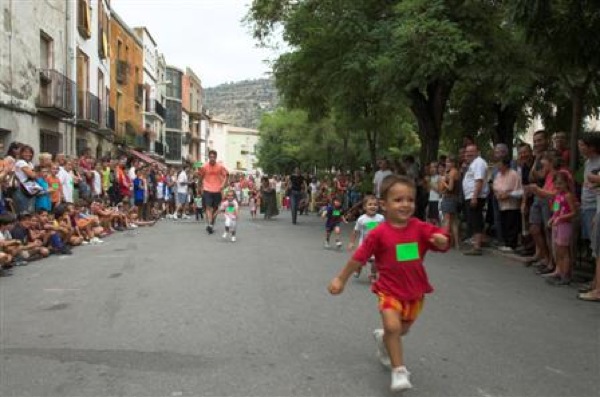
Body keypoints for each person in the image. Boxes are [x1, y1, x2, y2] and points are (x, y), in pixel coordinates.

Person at [327, 175, 449, 392]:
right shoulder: (379, 234)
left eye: (410, 200)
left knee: (401, 330)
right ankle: (399, 370)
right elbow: (359, 258)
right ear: (384, 204)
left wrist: (442, 239)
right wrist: (341, 278)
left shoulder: (419, 227)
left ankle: (383, 339)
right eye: (398, 200)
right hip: (389, 291)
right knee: (393, 326)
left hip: (415, 292)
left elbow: (438, 238)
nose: (405, 204)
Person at [546, 171, 576, 286]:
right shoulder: (558, 196)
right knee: (558, 250)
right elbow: (555, 210)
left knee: (564, 251)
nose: (558, 186)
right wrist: (552, 218)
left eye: (561, 183)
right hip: (557, 225)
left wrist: (561, 218)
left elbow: (573, 212)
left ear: (566, 184)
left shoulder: (568, 196)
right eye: (556, 184)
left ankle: (566, 275)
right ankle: (560, 272)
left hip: (565, 225)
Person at [348, 195, 385, 281]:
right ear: (365, 207)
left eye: (375, 205)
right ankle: (358, 269)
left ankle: (373, 275)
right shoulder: (362, 219)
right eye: (370, 204)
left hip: (376, 245)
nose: (373, 206)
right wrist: (351, 242)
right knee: (360, 261)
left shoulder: (381, 218)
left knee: (375, 261)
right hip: (364, 245)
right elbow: (355, 231)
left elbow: (385, 230)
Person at [462, 144, 489, 255]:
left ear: (477, 152)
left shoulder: (479, 163)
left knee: (476, 220)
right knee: (474, 220)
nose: (468, 153)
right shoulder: (474, 163)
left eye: (471, 151)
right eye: (467, 151)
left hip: (475, 196)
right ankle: (477, 243)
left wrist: (474, 197)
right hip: (472, 196)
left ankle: (477, 246)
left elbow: (479, 180)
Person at [492, 156, 523, 252]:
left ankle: (511, 244)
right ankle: (506, 243)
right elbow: (495, 186)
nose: (498, 166)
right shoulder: (498, 175)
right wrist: (498, 194)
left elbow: (520, 191)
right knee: (504, 223)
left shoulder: (514, 174)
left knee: (511, 224)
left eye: (500, 164)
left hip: (512, 204)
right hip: (501, 203)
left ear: (506, 164)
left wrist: (508, 194)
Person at [198, 150, 229, 234]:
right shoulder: (204, 167)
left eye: (213, 157)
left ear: (216, 157)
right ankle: (209, 225)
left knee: (215, 209)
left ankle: (211, 224)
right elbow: (200, 178)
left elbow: (227, 174)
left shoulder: (220, 166)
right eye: (210, 157)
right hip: (207, 189)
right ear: (209, 157)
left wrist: (224, 184)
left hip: (217, 190)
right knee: (208, 207)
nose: (212, 158)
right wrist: (199, 188)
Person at [439, 155, 461, 249]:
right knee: (454, 221)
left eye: (449, 162)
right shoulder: (455, 172)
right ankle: (456, 244)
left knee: (446, 220)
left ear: (453, 163)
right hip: (454, 198)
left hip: (449, 198)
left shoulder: (452, 173)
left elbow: (450, 187)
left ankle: (444, 243)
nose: (447, 164)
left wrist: (443, 182)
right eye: (446, 162)